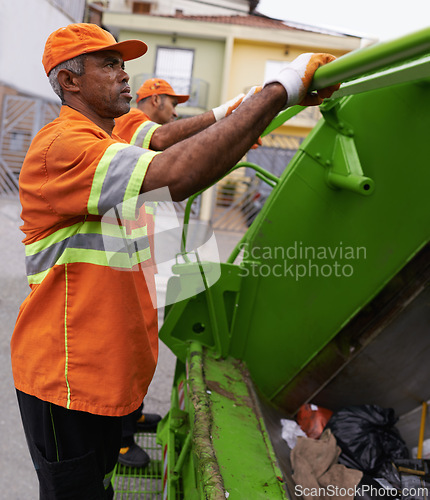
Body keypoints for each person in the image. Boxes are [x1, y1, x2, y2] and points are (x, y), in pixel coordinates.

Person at [10, 22, 339, 498]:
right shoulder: (64, 146)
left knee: (97, 487)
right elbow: (179, 169)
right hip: (66, 381)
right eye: (109, 64)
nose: (124, 74)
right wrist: (279, 90)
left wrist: (250, 109)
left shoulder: (106, 141)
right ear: (69, 81)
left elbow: (176, 146)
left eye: (123, 64)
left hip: (95, 376)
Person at [116, 78, 189, 469]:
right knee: (127, 347)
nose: (176, 111)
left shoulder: (144, 138)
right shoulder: (132, 125)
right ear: (155, 100)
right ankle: (121, 440)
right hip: (130, 261)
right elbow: (167, 141)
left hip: (146, 260)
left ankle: (134, 414)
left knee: (142, 343)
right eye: (173, 103)